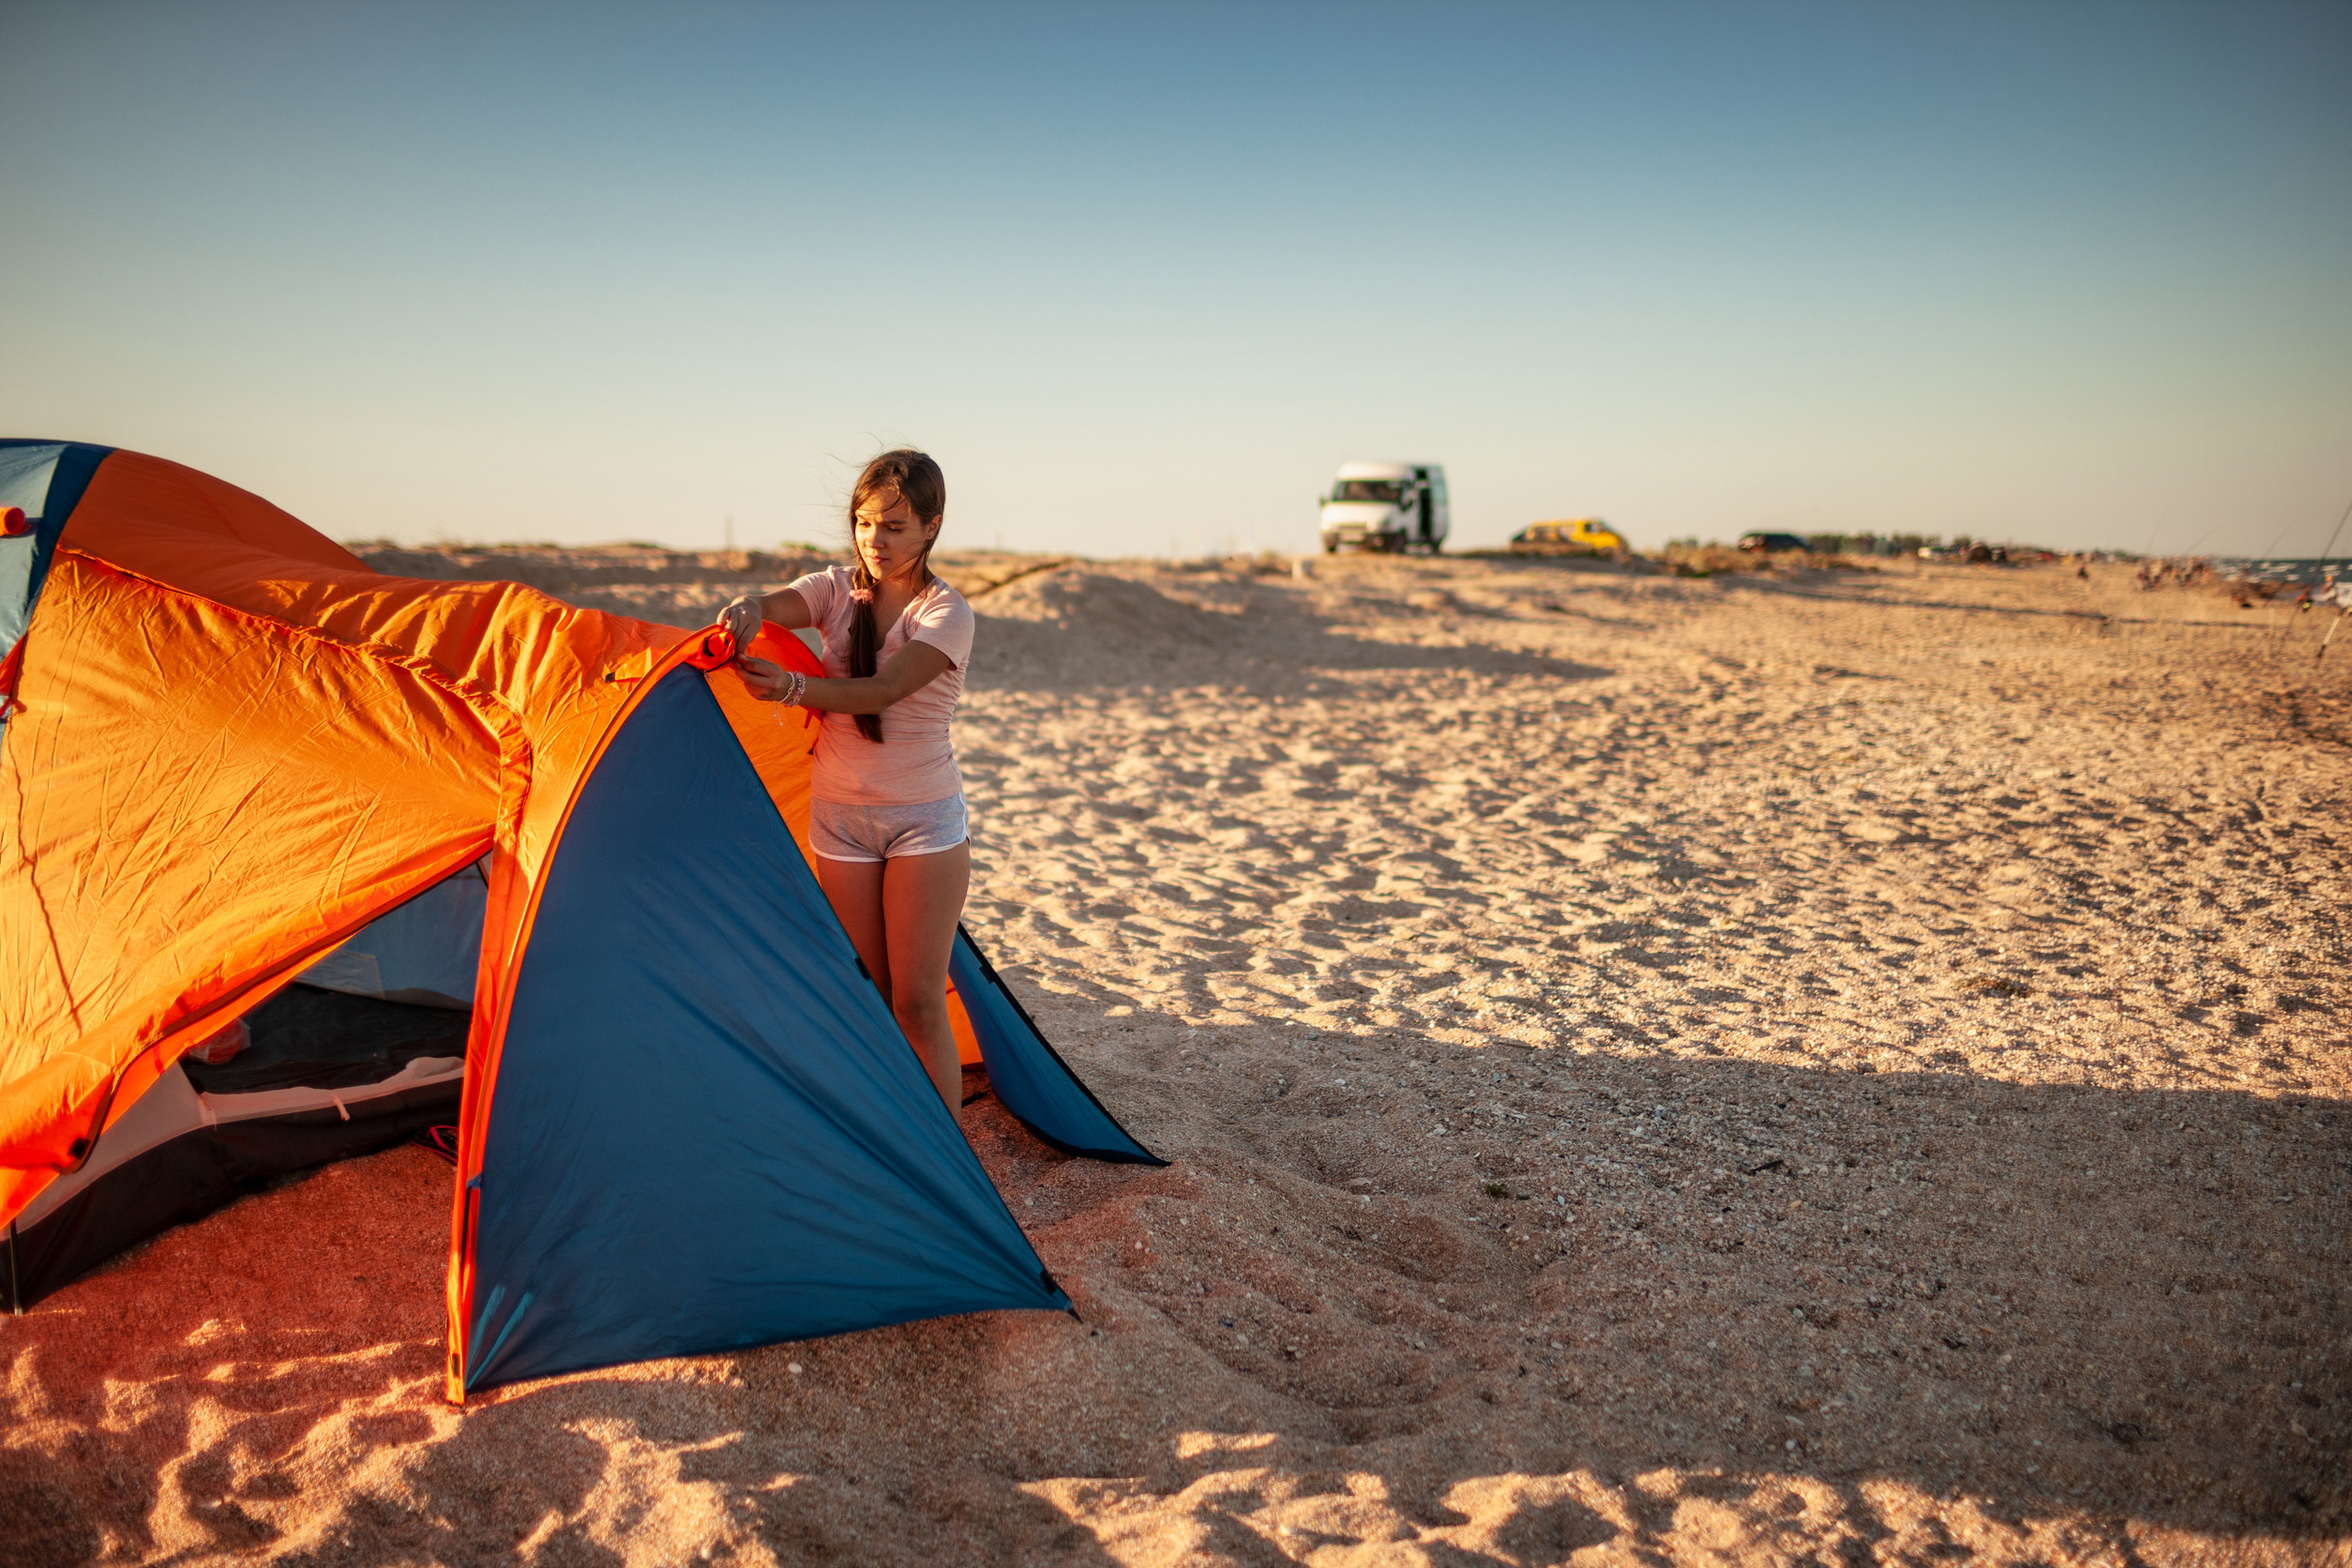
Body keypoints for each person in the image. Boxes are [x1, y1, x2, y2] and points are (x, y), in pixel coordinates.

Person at [718, 449, 975, 1118]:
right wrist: (747, 606)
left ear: (931, 527)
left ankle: (948, 1161)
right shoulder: (837, 589)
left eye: (894, 526)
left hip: (923, 820)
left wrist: (797, 689)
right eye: (864, 523)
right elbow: (775, 604)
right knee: (871, 998)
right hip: (841, 821)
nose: (875, 539)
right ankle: (895, 1134)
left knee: (918, 1001)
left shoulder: (946, 612)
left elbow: (885, 689)